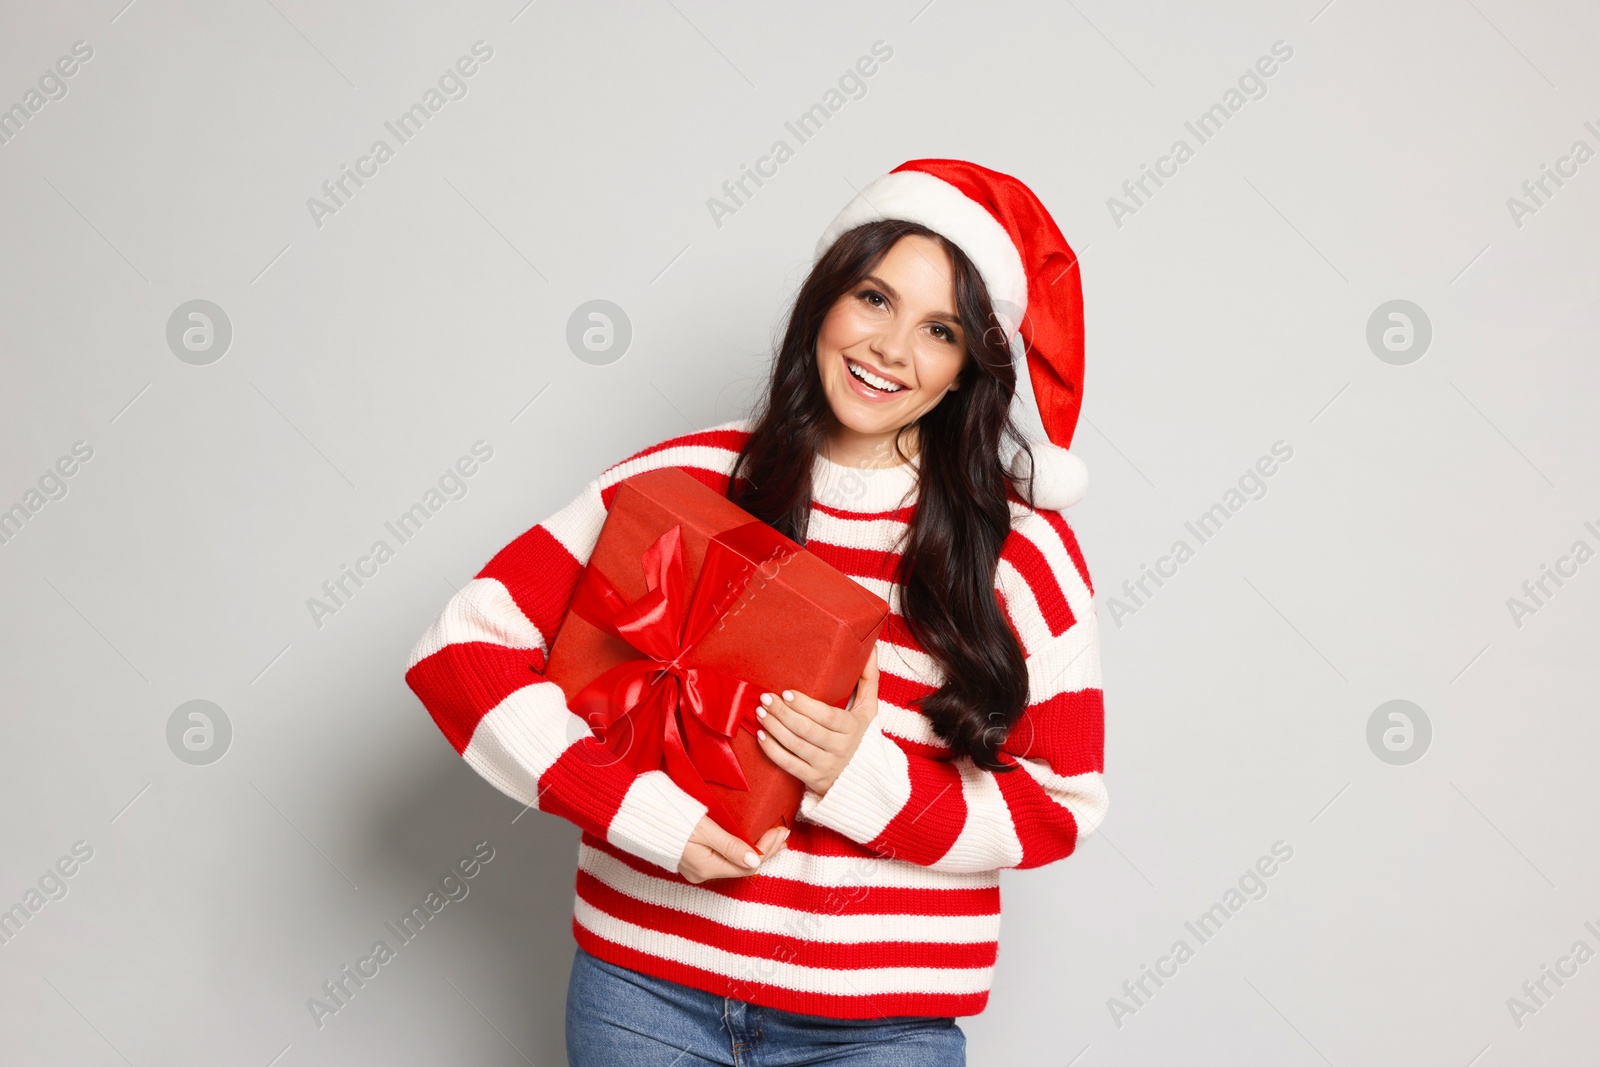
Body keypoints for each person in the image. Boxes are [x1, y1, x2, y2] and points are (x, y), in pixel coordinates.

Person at [405, 158, 1107, 1066]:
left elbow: (1059, 804)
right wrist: (637, 813)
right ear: (825, 299)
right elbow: (462, 649)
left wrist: (863, 778)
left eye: (939, 329)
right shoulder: (682, 480)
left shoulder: (1021, 550)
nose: (892, 348)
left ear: (971, 365)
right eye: (873, 297)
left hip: (879, 1030)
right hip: (642, 995)